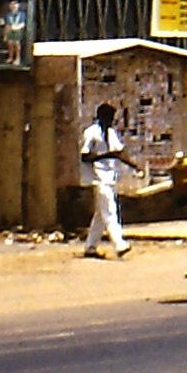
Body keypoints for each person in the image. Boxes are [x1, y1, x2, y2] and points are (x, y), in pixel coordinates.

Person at [81, 101, 129, 259]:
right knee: (110, 212)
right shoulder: (91, 133)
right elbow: (85, 156)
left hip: (109, 178)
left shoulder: (111, 133)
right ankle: (119, 244)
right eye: (109, 118)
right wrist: (106, 156)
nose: (111, 121)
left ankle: (90, 246)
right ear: (101, 117)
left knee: (100, 216)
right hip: (98, 178)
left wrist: (135, 166)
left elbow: (119, 152)